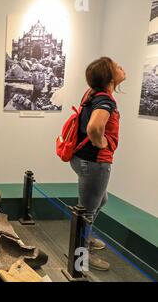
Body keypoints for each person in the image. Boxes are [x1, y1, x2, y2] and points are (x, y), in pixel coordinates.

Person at [71, 57, 126, 271]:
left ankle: (86, 239)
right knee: (87, 213)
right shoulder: (106, 100)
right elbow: (94, 127)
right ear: (110, 78)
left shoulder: (92, 93)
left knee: (101, 200)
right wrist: (101, 142)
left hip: (81, 159)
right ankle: (80, 258)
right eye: (117, 66)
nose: (122, 67)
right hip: (95, 163)